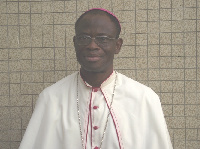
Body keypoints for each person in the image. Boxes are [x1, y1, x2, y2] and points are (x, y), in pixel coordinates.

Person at [19, 8, 173, 149]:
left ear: (118, 46)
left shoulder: (144, 98)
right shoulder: (51, 98)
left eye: (103, 38)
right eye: (84, 38)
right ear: (75, 43)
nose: (92, 45)